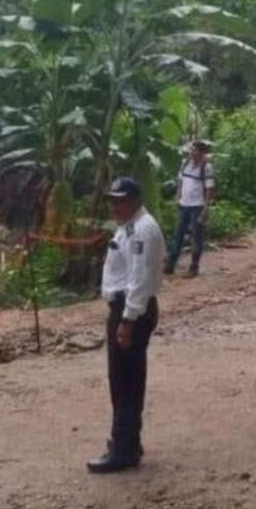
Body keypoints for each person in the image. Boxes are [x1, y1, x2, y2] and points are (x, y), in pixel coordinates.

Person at [89, 177, 165, 474]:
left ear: (134, 200)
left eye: (120, 200)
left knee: (125, 381)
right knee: (125, 380)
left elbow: (139, 279)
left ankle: (123, 448)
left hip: (129, 310)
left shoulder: (140, 231)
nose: (114, 206)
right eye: (112, 200)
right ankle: (128, 441)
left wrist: (128, 320)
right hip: (128, 308)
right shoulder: (130, 228)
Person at [165, 140, 214, 277]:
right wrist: (178, 196)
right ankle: (170, 264)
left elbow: (209, 189)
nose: (192, 153)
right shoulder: (185, 164)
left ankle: (194, 266)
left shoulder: (206, 167)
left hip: (197, 206)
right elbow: (180, 181)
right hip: (184, 204)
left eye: (195, 150)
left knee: (196, 237)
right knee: (178, 235)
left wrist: (206, 208)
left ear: (202, 153)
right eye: (191, 150)